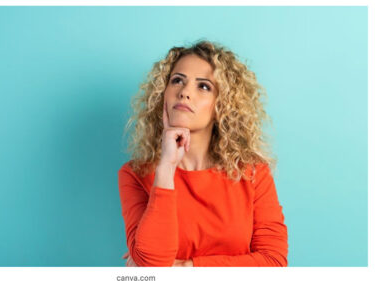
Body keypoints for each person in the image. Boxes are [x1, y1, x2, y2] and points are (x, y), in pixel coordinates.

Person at [118, 39, 288, 267]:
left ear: (222, 105)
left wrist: (186, 267)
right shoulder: (135, 175)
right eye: (177, 81)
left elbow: (274, 262)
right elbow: (152, 266)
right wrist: (166, 169)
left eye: (204, 86)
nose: (185, 92)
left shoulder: (253, 173)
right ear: (163, 95)